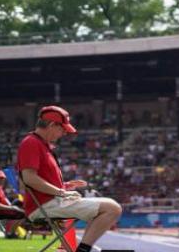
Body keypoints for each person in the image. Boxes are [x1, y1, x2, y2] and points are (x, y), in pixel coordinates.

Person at [17, 105, 122, 252]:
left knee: (107, 208)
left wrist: (65, 186)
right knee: (112, 208)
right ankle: (83, 250)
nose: (64, 133)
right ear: (52, 125)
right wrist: (61, 192)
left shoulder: (41, 144)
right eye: (63, 129)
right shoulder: (31, 143)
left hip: (49, 202)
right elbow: (29, 179)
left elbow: (38, 180)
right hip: (43, 206)